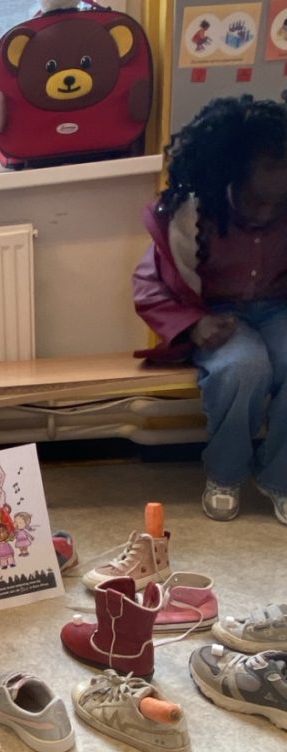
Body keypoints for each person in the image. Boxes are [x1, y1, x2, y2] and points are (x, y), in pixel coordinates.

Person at [133, 94, 287, 525]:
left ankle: (280, 477)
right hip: (217, 314)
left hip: (278, 309)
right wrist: (193, 324)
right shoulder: (191, 217)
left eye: (278, 204)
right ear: (227, 180)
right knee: (242, 368)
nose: (265, 213)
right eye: (255, 201)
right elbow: (148, 285)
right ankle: (226, 473)